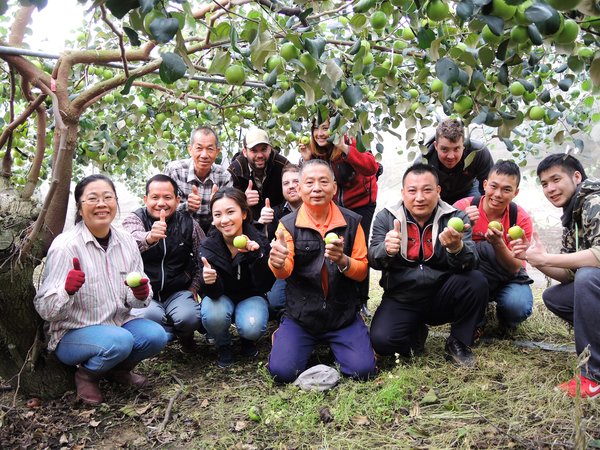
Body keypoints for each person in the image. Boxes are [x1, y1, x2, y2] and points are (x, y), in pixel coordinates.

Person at [34, 175, 168, 405]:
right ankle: (87, 376)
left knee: (156, 335)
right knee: (121, 340)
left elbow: (136, 298)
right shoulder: (66, 247)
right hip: (72, 334)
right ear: (79, 206)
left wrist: (139, 295)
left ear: (115, 202)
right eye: (93, 199)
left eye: (108, 197)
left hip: (116, 324)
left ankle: (117, 371)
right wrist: (66, 290)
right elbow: (45, 309)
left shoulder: (126, 241)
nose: (102, 204)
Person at [268, 159, 377, 383]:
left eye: (323, 181)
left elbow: (361, 271)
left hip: (342, 316)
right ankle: (284, 336)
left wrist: (343, 260)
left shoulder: (353, 222)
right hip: (302, 317)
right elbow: (284, 271)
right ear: (299, 188)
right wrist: (277, 263)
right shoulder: (287, 225)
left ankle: (354, 334)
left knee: (363, 371)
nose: (316, 188)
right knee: (281, 372)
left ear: (334, 188)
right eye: (309, 182)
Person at [368, 164, 488, 366]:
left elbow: (472, 261)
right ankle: (415, 333)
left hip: (441, 295)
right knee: (382, 341)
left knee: (476, 281)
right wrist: (386, 250)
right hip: (402, 297)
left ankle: (458, 341)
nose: (420, 197)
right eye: (412, 191)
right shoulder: (386, 217)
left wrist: (456, 248)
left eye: (427, 190)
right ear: (403, 192)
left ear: (438, 191)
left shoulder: (455, 217)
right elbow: (372, 258)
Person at [512, 154, 600, 398]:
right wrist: (534, 258)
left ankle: (593, 377)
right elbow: (569, 275)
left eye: (555, 179)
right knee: (556, 296)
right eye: (544, 184)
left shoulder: (594, 202)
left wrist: (547, 258)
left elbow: (598, 256)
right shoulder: (573, 214)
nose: (550, 189)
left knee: (588, 278)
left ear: (576, 177)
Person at [300, 117, 380, 314]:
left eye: (325, 128)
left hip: (361, 203)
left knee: (358, 250)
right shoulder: (314, 149)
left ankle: (361, 300)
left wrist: (345, 148)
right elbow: (314, 178)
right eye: (316, 129)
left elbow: (371, 167)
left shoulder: (352, 139)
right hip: (334, 206)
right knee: (335, 248)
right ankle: (339, 296)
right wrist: (307, 158)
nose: (320, 133)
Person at [122, 174, 206, 353]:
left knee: (189, 317)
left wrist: (194, 287)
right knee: (151, 316)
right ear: (145, 199)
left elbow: (203, 258)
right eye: (155, 197)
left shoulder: (189, 223)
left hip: (179, 291)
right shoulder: (134, 219)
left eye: (167, 197)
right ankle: (165, 333)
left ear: (177, 200)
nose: (161, 203)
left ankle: (185, 336)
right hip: (146, 293)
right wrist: (150, 237)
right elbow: (129, 242)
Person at [454, 160, 534, 330]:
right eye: (493, 186)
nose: (498, 194)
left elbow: (514, 268)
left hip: (507, 277)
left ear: (516, 192)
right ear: (484, 185)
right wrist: (463, 226)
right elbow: (446, 251)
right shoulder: (463, 208)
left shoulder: (520, 219)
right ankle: (475, 310)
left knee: (516, 307)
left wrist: (499, 244)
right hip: (472, 276)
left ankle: (504, 319)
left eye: (506, 190)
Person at [199, 187, 274, 368]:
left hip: (251, 296)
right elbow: (212, 293)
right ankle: (223, 343)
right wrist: (209, 281)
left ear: (244, 214)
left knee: (252, 327)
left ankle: (247, 340)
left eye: (230, 212)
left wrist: (255, 258)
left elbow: (265, 285)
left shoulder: (259, 241)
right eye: (217, 214)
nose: (224, 220)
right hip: (222, 296)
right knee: (213, 315)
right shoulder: (208, 246)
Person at [164, 126, 232, 233]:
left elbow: (230, 215)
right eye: (199, 148)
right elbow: (163, 207)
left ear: (217, 152)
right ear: (190, 150)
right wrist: (186, 207)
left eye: (210, 149)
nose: (204, 155)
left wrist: (217, 204)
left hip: (212, 234)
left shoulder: (224, 176)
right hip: (178, 232)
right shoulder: (175, 171)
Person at [255, 164, 303, 317]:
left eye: (296, 181)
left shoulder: (316, 210)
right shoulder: (274, 213)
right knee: (275, 303)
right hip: (284, 269)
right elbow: (261, 245)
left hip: (311, 267)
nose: (291, 186)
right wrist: (261, 223)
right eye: (286, 183)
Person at [417, 118, 494, 205]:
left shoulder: (478, 152)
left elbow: (490, 189)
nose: (451, 156)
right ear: (436, 146)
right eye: (444, 149)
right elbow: (416, 198)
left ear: (463, 145)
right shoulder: (422, 163)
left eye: (456, 149)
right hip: (437, 197)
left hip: (468, 191)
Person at [228, 128, 290, 219]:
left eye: (264, 149)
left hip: (280, 220)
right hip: (248, 224)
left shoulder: (282, 165)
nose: (260, 155)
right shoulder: (235, 171)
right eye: (254, 150)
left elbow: (296, 192)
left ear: (270, 149)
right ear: (245, 152)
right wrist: (243, 201)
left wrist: (277, 212)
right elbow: (228, 207)